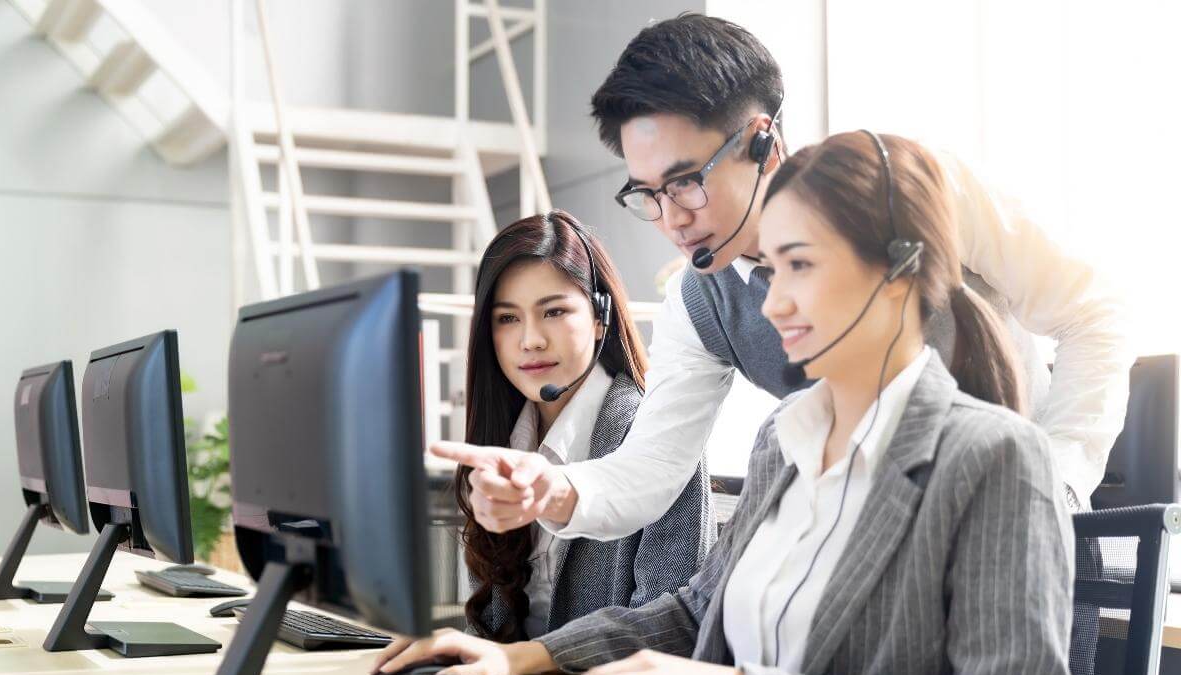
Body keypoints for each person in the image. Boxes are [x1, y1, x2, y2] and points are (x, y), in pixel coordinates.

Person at [377, 132, 1075, 675]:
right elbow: (693, 611)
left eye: (799, 264)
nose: (770, 302)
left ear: (897, 273)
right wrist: (519, 658)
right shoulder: (784, 438)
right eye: (769, 268)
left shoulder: (998, 460)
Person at [432, 13, 1131, 544]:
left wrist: (1059, 480)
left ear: (764, 141)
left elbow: (1092, 312)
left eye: (685, 183)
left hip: (1016, 539)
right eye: (646, 193)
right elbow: (651, 468)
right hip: (874, 555)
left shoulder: (916, 189)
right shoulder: (700, 295)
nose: (671, 218)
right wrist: (548, 489)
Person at [429, 211, 714, 643]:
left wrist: (525, 663)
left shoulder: (655, 439)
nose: (531, 340)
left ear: (601, 316)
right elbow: (489, 626)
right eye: (507, 318)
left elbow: (670, 635)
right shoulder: (501, 442)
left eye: (554, 311)